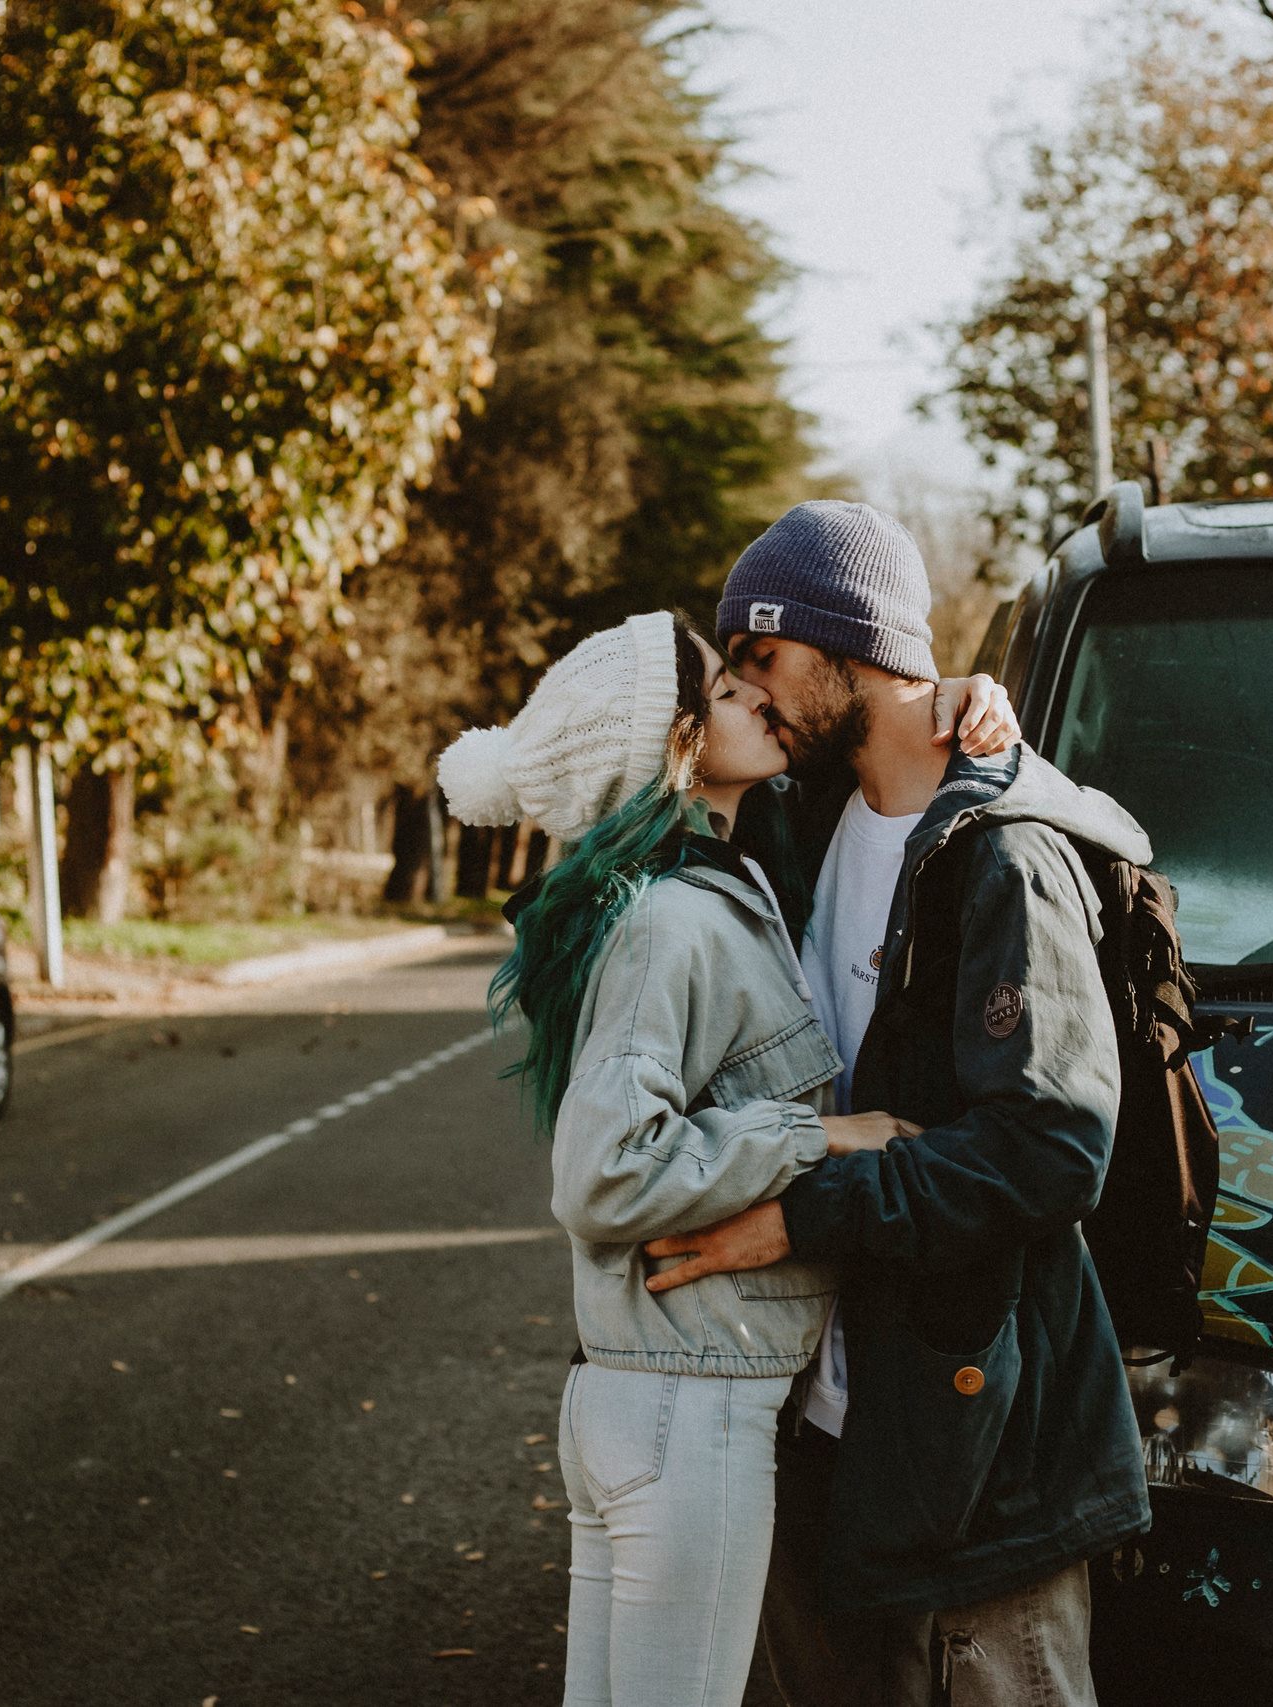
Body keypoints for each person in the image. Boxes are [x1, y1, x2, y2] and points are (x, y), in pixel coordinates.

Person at [435, 609, 1019, 1707]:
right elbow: (603, 1172)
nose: (756, 698)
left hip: (656, 1392)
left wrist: (958, 694)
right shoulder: (668, 918)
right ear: (671, 746)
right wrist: (818, 1132)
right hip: (685, 1403)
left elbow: (875, 744)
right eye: (721, 692)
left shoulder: (723, 880)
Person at [640, 501, 1152, 1707]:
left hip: (982, 1452)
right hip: (834, 1428)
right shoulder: (804, 825)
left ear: (845, 646)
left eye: (762, 658)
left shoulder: (1003, 855)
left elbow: (1049, 1150)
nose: (747, 693)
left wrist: (796, 1216)